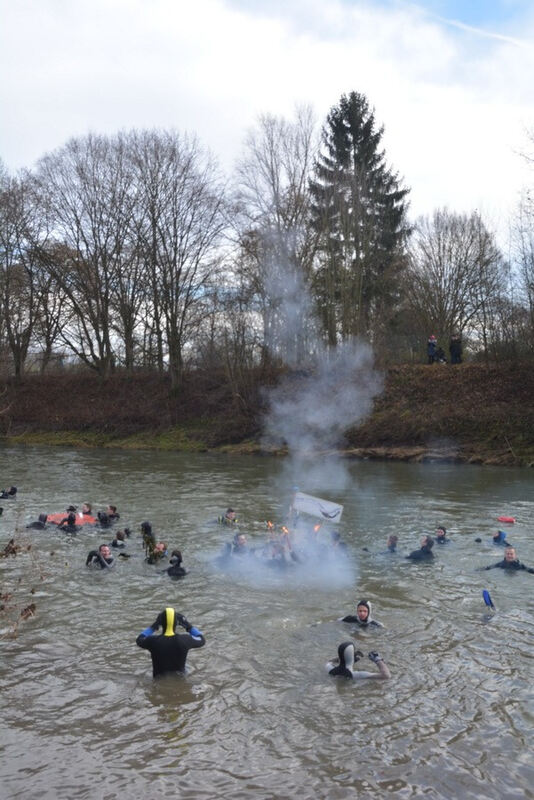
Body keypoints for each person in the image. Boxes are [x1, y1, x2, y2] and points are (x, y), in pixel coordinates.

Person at [136, 607, 205, 678]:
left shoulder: (153, 641)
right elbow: (201, 639)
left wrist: (154, 626)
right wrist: (188, 626)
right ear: (176, 623)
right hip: (180, 679)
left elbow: (140, 639)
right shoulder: (185, 640)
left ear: (162, 623)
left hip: (158, 679)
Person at [326, 643, 391, 680]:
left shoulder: (329, 669)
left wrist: (350, 657)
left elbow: (330, 661)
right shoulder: (355, 675)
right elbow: (386, 676)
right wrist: (378, 659)